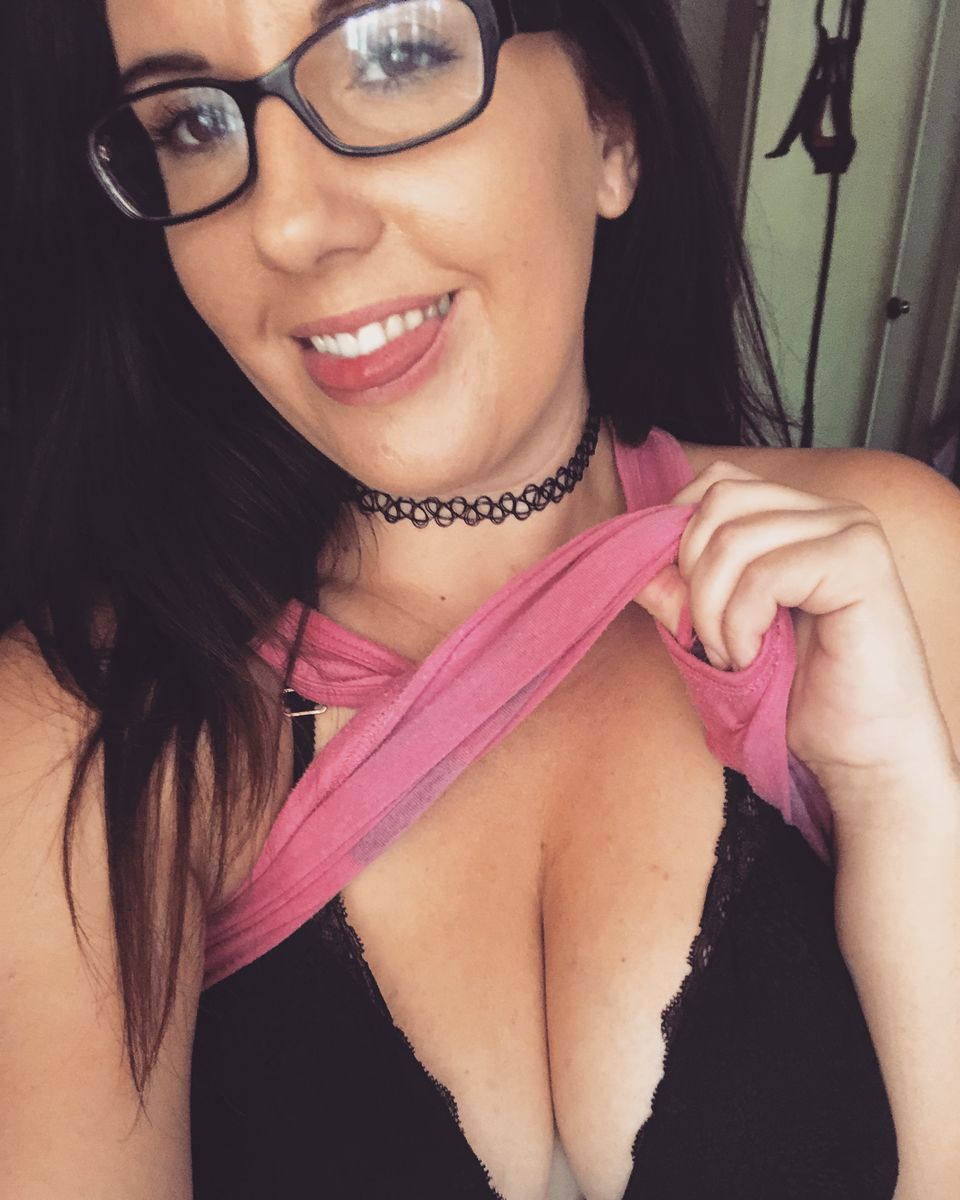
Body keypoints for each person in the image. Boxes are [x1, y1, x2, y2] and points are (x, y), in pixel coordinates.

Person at [1, 0, 958, 1197]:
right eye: (190, 123)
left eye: (394, 52)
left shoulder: (890, 567)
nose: (287, 224)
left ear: (612, 129)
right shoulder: (86, 731)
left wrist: (896, 802)